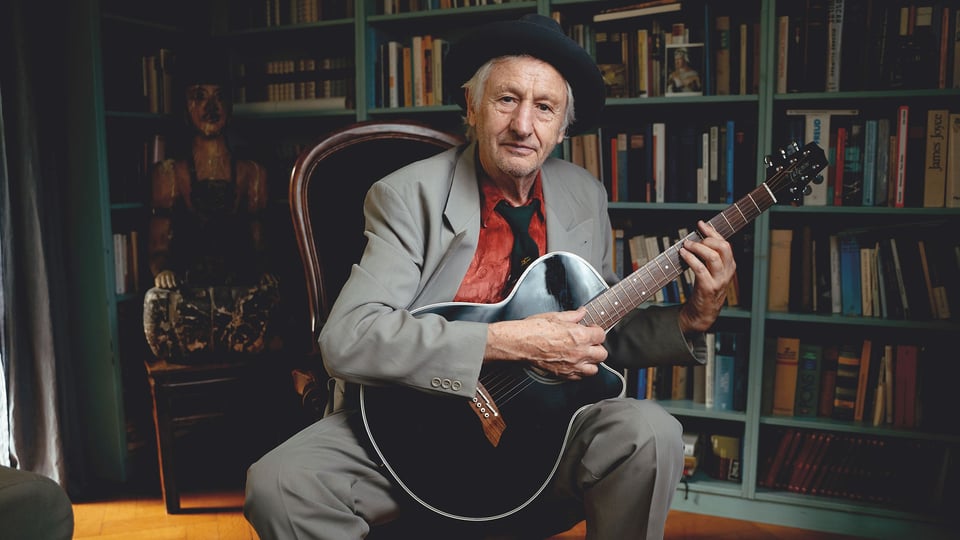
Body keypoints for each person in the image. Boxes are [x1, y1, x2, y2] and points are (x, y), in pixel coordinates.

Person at [244, 14, 735, 540]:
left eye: (544, 107)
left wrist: (692, 318)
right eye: (506, 100)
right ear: (472, 107)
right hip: (412, 426)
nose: (523, 125)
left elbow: (593, 330)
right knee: (279, 484)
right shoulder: (407, 195)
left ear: (562, 127)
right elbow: (348, 338)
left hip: (544, 432)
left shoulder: (584, 195)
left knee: (652, 432)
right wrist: (508, 341)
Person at [143, 51, 279, 362]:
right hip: (190, 288)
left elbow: (259, 242)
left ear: (230, 104)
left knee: (270, 297)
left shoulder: (252, 172)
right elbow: (158, 244)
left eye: (219, 97)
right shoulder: (168, 173)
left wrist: (263, 272)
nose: (211, 107)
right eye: (199, 97)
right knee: (156, 302)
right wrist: (162, 270)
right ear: (185, 105)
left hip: (236, 286)